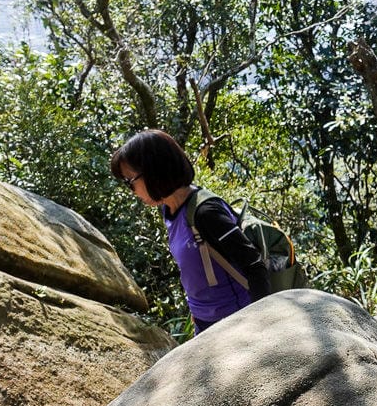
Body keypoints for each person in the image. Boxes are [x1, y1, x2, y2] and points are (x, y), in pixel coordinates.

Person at [111, 129, 269, 335]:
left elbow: (254, 265)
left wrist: (262, 325)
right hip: (204, 323)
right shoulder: (169, 210)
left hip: (235, 322)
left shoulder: (206, 212)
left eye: (130, 181)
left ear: (153, 171)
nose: (132, 191)